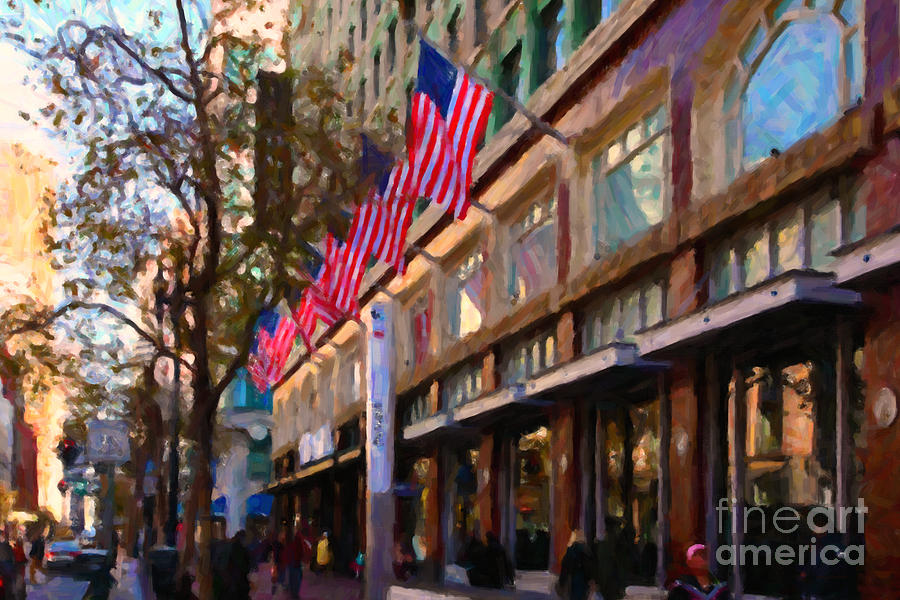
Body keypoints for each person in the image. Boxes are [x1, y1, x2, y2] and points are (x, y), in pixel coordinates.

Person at [557, 530, 595, 600]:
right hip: (582, 580)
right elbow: (588, 568)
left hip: (572, 579)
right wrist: (591, 579)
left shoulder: (570, 550)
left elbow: (564, 567)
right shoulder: (586, 551)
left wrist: (561, 582)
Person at [225, 530, 252, 600]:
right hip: (238, 579)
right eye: (245, 538)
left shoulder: (234, 546)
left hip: (235, 579)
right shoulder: (238, 548)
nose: (246, 540)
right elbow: (242, 565)